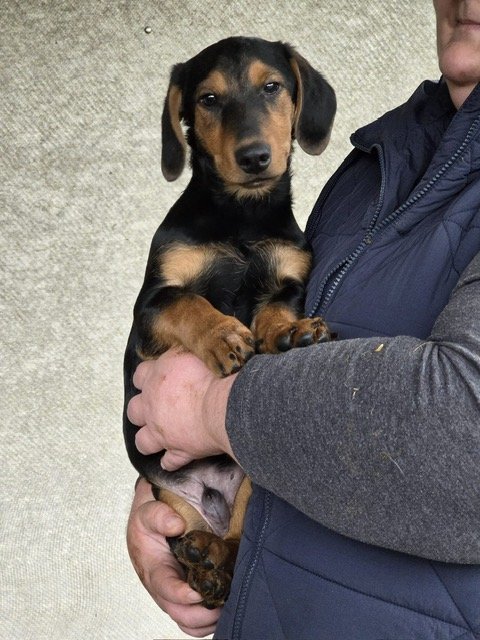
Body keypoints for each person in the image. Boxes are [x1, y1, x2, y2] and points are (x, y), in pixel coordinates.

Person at [126, 1, 480, 637]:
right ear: (183, 126)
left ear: (297, 104)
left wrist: (209, 409)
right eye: (212, 102)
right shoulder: (374, 163)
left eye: (269, 90)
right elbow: (210, 335)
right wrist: (162, 484)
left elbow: (465, 436)